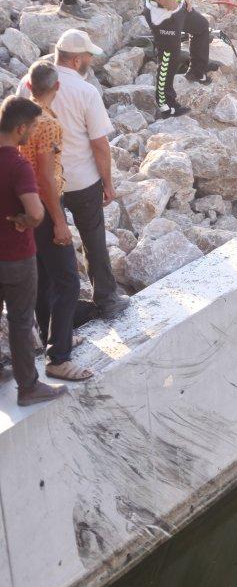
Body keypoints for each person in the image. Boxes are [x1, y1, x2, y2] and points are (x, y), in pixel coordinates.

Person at [21, 61, 91, 382]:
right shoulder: (46, 123)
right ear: (57, 88)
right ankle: (58, 358)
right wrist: (59, 221)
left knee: (46, 279)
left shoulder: (21, 117)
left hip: (28, 207)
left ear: (30, 86)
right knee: (68, 281)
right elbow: (47, 178)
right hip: (47, 207)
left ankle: (55, 337)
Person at [53, 28, 129, 319]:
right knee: (93, 238)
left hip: (48, 182)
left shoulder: (30, 84)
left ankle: (60, 309)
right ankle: (107, 299)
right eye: (87, 57)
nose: (90, 62)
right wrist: (108, 183)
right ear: (75, 61)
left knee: (53, 243)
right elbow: (99, 144)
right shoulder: (86, 92)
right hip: (83, 179)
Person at [0, 95, 66, 406]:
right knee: (20, 322)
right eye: (32, 127)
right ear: (21, 128)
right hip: (15, 258)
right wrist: (27, 220)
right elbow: (36, 212)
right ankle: (28, 387)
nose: (33, 133)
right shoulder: (17, 164)